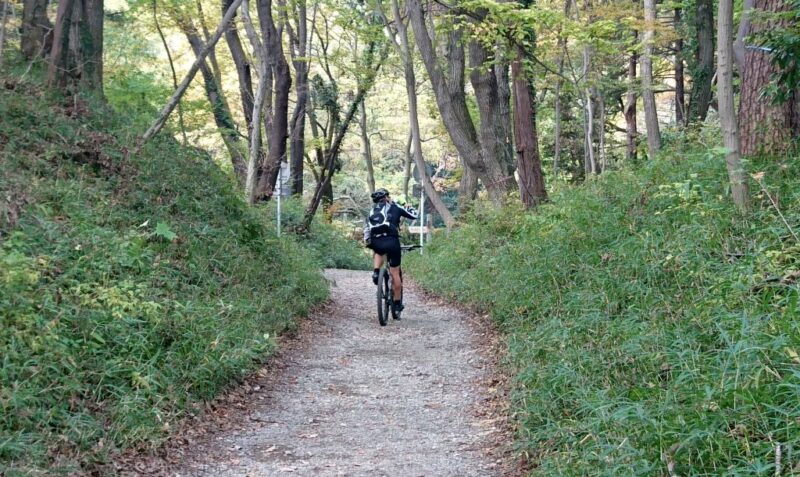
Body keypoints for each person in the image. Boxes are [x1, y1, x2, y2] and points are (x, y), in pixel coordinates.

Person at [363, 188, 418, 314]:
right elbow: (414, 214)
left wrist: (368, 241)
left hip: (376, 241)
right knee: (395, 272)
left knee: (379, 251)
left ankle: (376, 272)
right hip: (392, 242)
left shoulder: (372, 211)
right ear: (387, 197)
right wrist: (405, 204)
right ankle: (397, 303)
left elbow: (367, 228)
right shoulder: (396, 207)